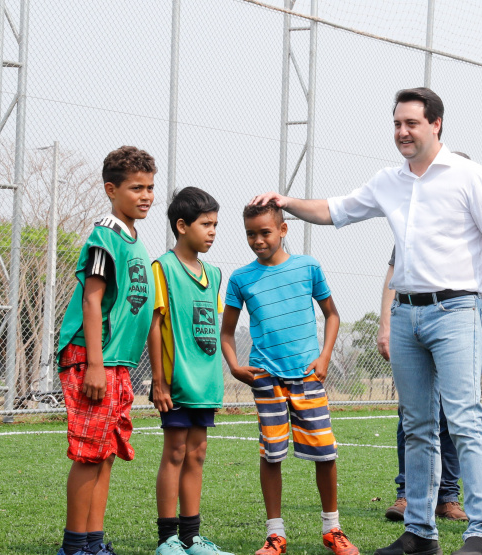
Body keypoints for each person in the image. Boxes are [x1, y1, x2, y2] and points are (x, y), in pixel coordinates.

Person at [251, 87, 482, 555]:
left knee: (465, 419)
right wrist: (286, 201)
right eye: (396, 123)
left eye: (411, 123)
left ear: (436, 125)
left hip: (455, 312)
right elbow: (335, 210)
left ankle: (480, 534)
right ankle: (419, 533)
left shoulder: (471, 177)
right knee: (416, 425)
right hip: (406, 314)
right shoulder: (388, 181)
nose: (402, 132)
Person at [220, 203, 358, 555]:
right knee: (272, 454)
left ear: (282, 230)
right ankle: (275, 534)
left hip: (307, 377)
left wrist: (324, 356)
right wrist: (235, 366)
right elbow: (227, 331)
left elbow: (332, 315)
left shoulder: (308, 267)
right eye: (251, 233)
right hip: (265, 378)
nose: (257, 240)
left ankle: (332, 529)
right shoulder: (240, 278)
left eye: (265, 232)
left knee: (326, 454)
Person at [54, 146, 156, 555]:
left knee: (106, 452)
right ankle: (74, 545)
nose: (146, 195)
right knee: (88, 454)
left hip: (116, 362)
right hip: (90, 359)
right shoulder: (104, 238)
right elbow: (91, 301)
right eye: (136, 188)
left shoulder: (133, 238)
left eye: (150, 187)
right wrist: (95, 364)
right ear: (112, 190)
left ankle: (93, 542)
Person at [380, 247, 482, 523]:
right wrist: (385, 326)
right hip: (411, 320)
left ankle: (450, 499)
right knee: (413, 419)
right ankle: (409, 498)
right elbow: (393, 273)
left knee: (459, 417)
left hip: (459, 322)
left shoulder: (480, 219)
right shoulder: (411, 216)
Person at [147, 187, 232, 555]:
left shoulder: (214, 273)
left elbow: (210, 329)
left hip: (206, 383)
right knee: (175, 452)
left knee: (197, 453)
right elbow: (154, 324)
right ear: (181, 226)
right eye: (205, 224)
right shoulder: (162, 268)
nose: (212, 231)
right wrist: (158, 380)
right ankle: (167, 539)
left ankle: (191, 538)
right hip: (176, 382)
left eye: (216, 224)